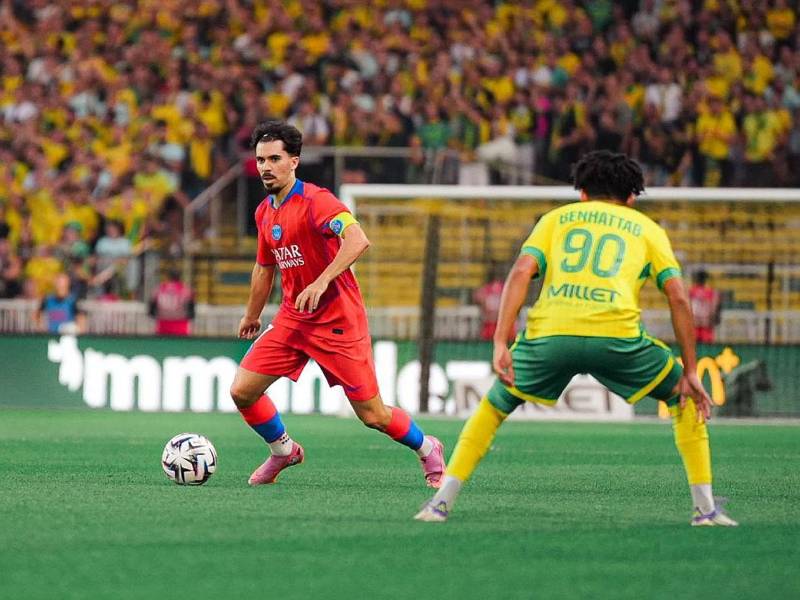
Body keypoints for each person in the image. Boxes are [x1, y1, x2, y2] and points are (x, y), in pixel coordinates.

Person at [415, 150, 737, 527]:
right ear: (632, 197)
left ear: (581, 192)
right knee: (682, 397)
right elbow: (679, 298)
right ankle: (705, 509)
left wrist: (501, 341)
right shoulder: (647, 229)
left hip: (551, 334)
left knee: (495, 406)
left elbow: (520, 272)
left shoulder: (555, 219)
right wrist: (692, 370)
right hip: (617, 338)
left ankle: (441, 503)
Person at [229, 120, 445, 487]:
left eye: (274, 158)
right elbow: (264, 267)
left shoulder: (317, 200)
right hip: (293, 320)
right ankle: (284, 451)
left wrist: (322, 280)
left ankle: (428, 449)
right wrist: (252, 314)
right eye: (261, 159)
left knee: (373, 415)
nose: (265, 166)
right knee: (242, 390)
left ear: (293, 161)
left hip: (338, 321)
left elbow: (358, 240)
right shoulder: (265, 212)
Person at [148, 268, 195, 336]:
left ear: (169, 277)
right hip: (181, 325)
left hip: (163, 324)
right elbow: (191, 310)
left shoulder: (160, 288)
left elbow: (151, 308)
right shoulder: (185, 289)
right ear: (179, 277)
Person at [689, 270, 721, 344]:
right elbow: (714, 308)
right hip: (706, 323)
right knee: (707, 348)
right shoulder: (711, 292)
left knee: (693, 346)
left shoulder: (691, 291)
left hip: (694, 322)